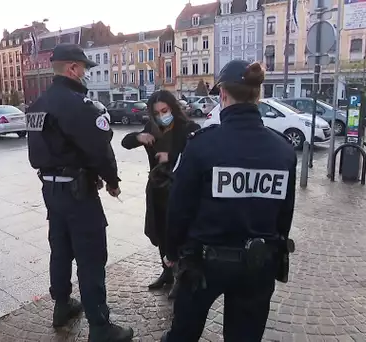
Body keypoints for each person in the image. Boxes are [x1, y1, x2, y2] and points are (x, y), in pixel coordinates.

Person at [161, 60, 297, 342]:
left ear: (223, 95)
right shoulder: (283, 151)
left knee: (183, 335)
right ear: (258, 96)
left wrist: (172, 251)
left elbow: (179, 207)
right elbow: (285, 214)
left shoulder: (202, 145)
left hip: (203, 263)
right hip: (258, 265)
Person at [26, 43, 133, 342]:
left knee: (60, 248)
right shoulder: (78, 104)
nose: (85, 74)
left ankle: (62, 305)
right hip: (78, 192)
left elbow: (36, 150)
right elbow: (100, 151)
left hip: (50, 189)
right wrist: (112, 181)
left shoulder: (37, 106)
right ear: (73, 68)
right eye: (84, 68)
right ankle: (100, 326)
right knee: (90, 255)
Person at [121, 90, 200, 299]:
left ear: (173, 108)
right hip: (158, 188)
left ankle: (180, 277)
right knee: (161, 231)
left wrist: (171, 156)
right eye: (156, 112)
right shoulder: (152, 128)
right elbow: (125, 142)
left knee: (178, 234)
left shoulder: (188, 128)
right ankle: (167, 272)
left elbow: (197, 154)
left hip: (180, 190)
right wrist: (139, 136)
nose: (161, 115)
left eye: (164, 111)